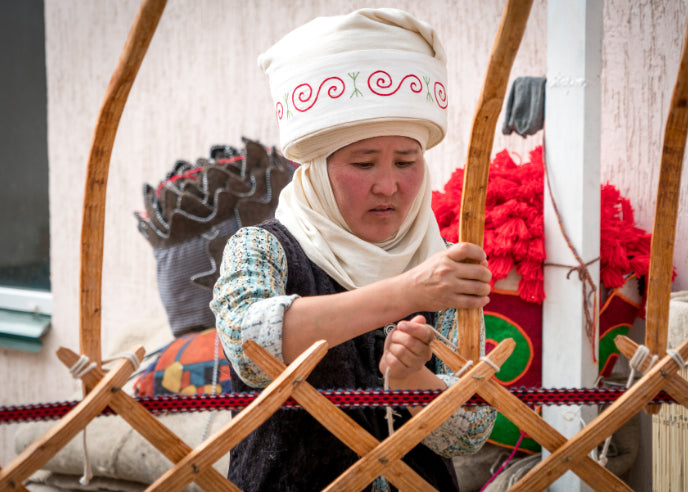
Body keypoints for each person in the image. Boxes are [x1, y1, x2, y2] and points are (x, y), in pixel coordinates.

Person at [211, 8, 496, 491]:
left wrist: (413, 383)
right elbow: (250, 347)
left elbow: (471, 432)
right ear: (317, 170)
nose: (389, 185)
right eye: (364, 163)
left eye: (407, 161)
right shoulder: (262, 248)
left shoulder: (439, 263)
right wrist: (407, 292)